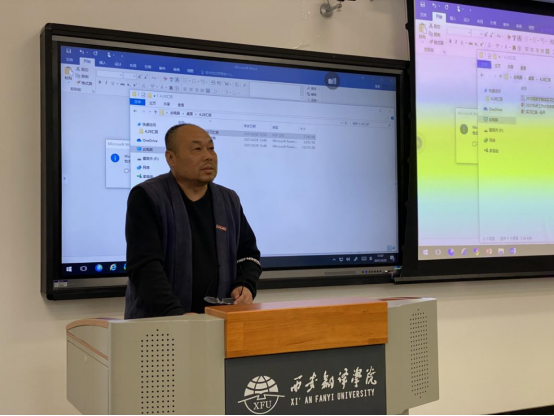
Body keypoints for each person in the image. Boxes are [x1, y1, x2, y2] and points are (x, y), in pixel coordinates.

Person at [124, 124, 262, 319]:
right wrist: (176, 314)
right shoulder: (147, 196)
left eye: (211, 148)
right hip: (160, 325)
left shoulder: (229, 200)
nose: (208, 156)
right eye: (197, 149)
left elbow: (248, 256)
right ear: (170, 158)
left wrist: (245, 285)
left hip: (218, 322)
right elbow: (144, 267)